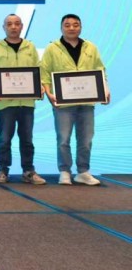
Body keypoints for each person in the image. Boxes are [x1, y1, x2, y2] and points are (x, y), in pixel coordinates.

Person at [40, 13, 109, 186]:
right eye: (67, 25)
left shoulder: (91, 47)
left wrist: (105, 89)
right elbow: (44, 73)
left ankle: (83, 172)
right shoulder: (52, 48)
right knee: (63, 139)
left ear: (81, 27)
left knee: (86, 139)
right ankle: (64, 171)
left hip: (86, 102)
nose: (71, 28)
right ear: (61, 28)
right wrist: (49, 93)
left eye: (75, 25)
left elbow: (100, 71)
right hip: (63, 103)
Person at [0, 14, 46, 185]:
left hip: (27, 102)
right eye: (9, 24)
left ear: (22, 26)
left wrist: (40, 85)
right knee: (4, 139)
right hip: (5, 103)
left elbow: (38, 70)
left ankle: (28, 171)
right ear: (4, 27)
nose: (13, 27)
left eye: (17, 24)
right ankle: (3, 170)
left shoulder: (30, 47)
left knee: (27, 140)